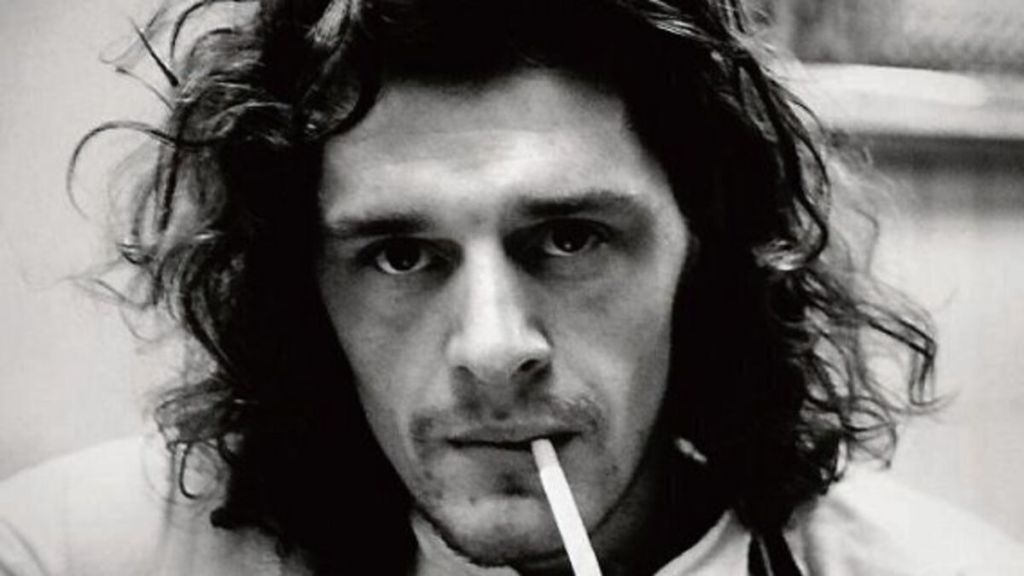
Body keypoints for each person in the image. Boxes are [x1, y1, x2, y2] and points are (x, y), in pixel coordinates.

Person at [1, 0, 1023, 574]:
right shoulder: (68, 554)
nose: (492, 349)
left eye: (570, 238)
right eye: (400, 255)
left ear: (709, 255)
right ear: (301, 293)